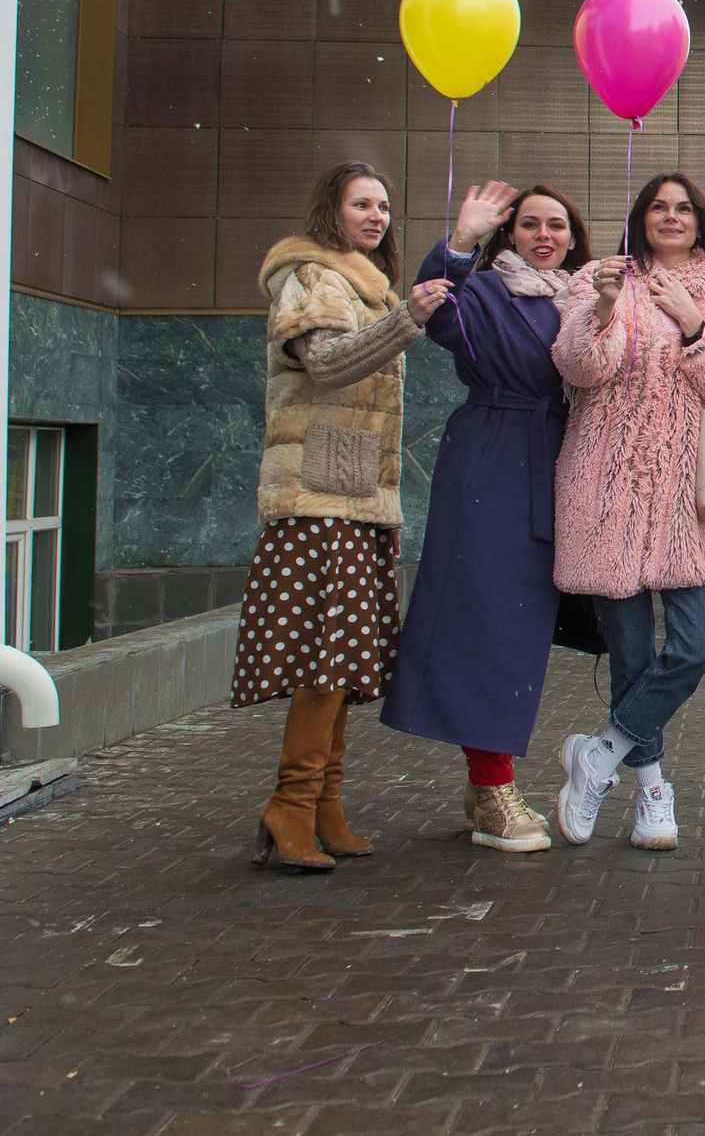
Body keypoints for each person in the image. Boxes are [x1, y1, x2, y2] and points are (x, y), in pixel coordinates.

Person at [236, 161, 450, 874]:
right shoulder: (311, 275)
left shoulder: (366, 284)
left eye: (384, 206)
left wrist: (399, 312)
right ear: (332, 209)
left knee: (343, 657)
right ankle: (291, 804)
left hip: (355, 495)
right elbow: (325, 363)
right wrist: (407, 319)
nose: (377, 216)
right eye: (362, 204)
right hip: (317, 497)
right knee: (325, 657)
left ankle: (323, 805)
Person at [549, 173, 705, 853]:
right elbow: (580, 370)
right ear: (640, 217)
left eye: (684, 209)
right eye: (659, 207)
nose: (671, 217)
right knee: (632, 654)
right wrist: (605, 308)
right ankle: (651, 791)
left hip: (689, 497)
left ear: (700, 220)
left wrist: (695, 324)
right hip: (607, 486)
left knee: (697, 646)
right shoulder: (597, 277)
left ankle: (600, 751)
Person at [381, 181, 589, 855]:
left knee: (525, 629)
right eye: (529, 224)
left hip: (562, 463)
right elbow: (438, 315)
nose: (543, 235)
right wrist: (459, 242)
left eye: (556, 224)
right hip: (495, 457)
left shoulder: (583, 296)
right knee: (491, 624)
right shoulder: (486, 288)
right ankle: (492, 786)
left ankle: (502, 779)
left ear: (573, 237)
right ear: (510, 234)